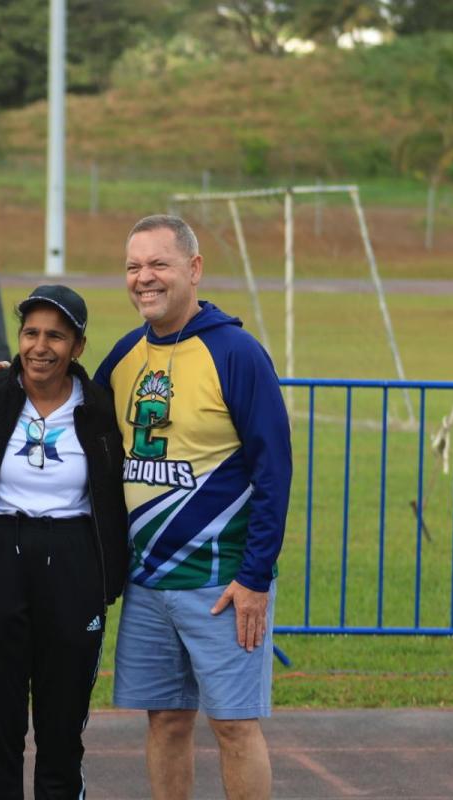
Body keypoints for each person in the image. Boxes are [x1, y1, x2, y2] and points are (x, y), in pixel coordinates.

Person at [93, 214, 291, 800]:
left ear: (194, 269)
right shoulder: (126, 354)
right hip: (149, 583)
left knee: (233, 725)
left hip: (223, 586)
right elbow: (65, 406)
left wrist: (255, 577)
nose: (144, 278)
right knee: (166, 720)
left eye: (159, 264)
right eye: (133, 266)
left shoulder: (237, 353)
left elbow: (273, 471)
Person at [0, 284, 129, 799]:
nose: (40, 346)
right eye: (31, 333)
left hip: (73, 559)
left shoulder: (101, 408)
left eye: (56, 335)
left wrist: (107, 572)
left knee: (61, 724)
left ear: (78, 346)